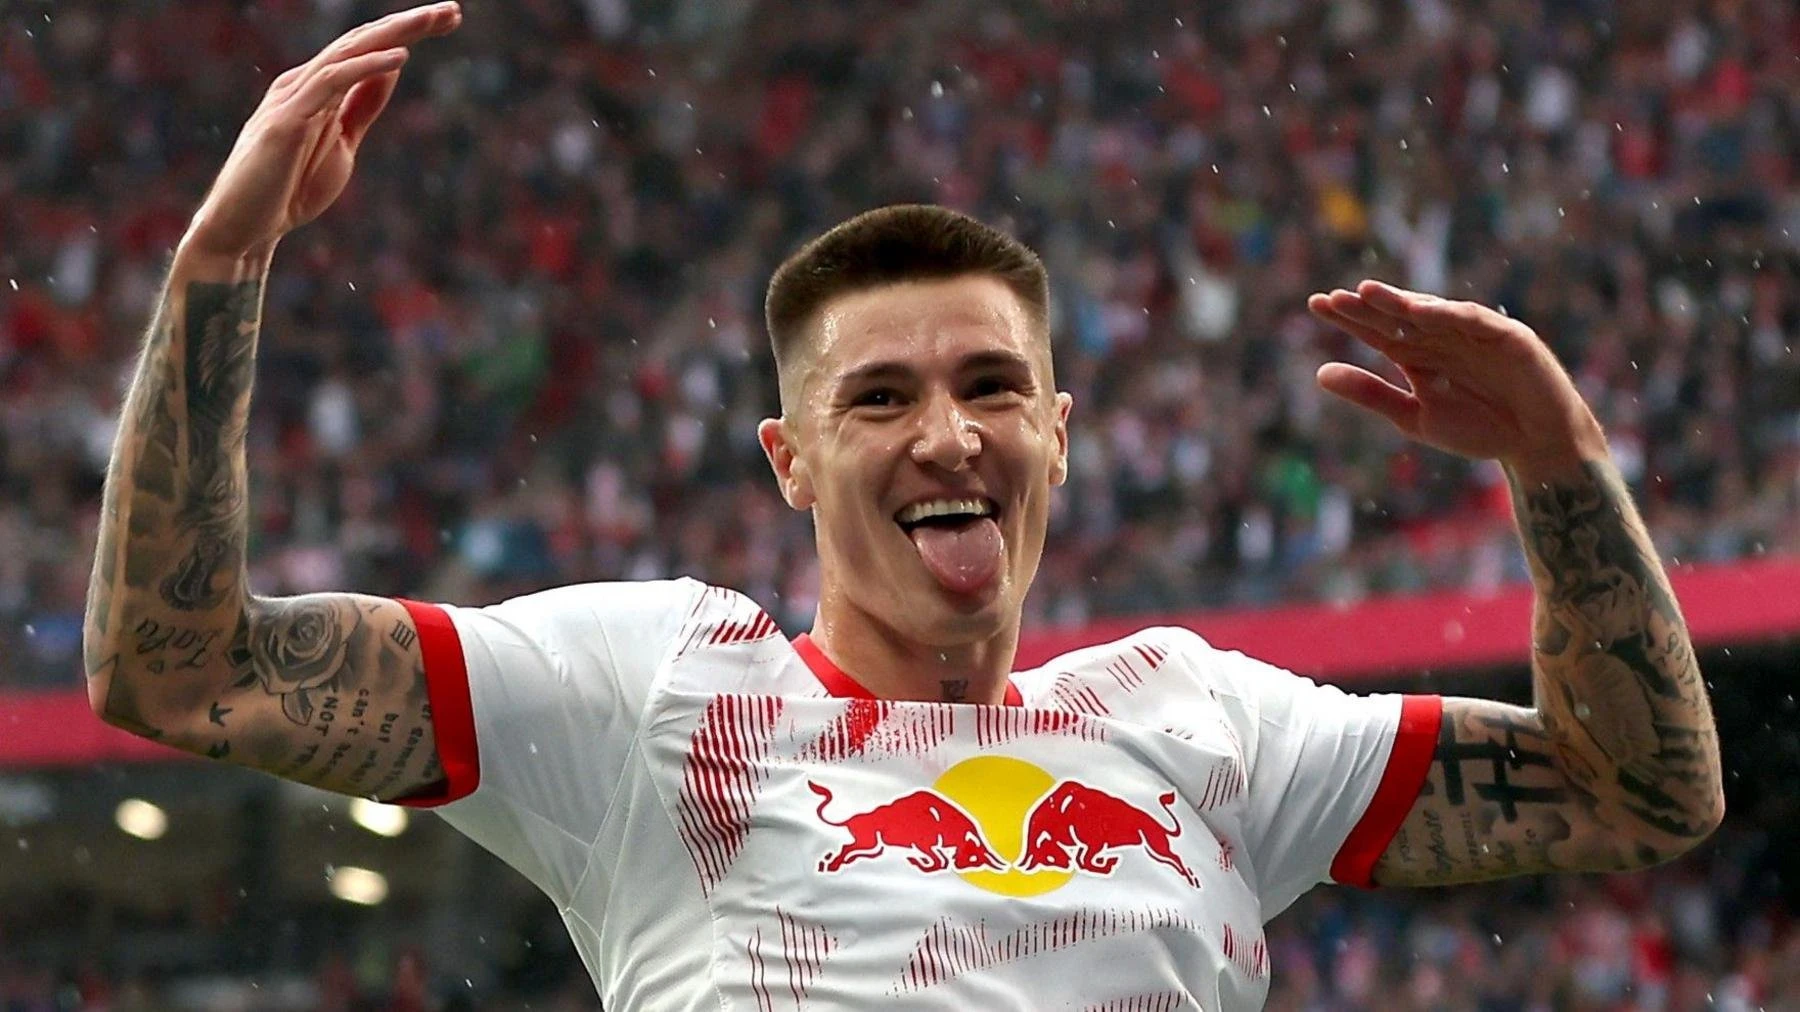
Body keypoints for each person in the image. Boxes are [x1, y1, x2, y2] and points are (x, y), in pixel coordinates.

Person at [82, 4, 1723, 1008]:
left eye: (992, 387)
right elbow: (181, 666)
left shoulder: (1206, 724)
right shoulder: (648, 693)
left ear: (1058, 436)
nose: (948, 436)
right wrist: (223, 266)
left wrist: (1561, 463)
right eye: (877, 400)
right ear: (789, 463)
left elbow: (1638, 795)